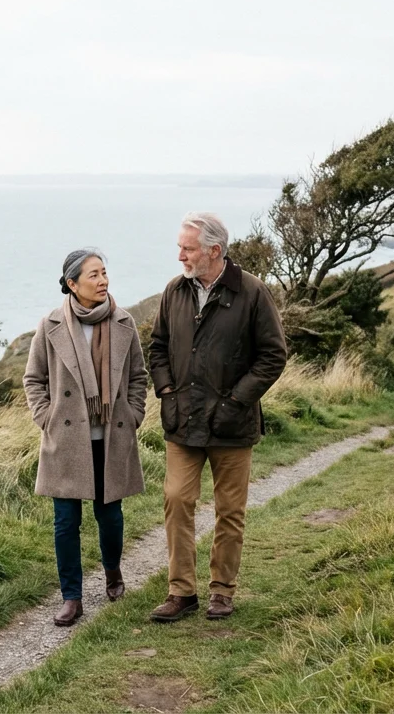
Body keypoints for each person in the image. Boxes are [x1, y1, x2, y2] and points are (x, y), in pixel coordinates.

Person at [146, 212, 288, 622]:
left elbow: (273, 355)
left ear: (214, 250)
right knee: (176, 500)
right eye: (180, 248)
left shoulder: (252, 292)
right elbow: (158, 347)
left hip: (232, 424)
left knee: (230, 510)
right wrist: (167, 392)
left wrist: (235, 402)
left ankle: (222, 593)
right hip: (183, 421)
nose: (180, 257)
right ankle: (181, 592)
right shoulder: (175, 291)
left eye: (187, 249)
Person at [23, 248, 148, 627]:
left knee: (109, 516)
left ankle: (112, 572)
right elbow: (34, 379)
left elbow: (139, 377)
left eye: (104, 272)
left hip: (111, 436)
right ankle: (72, 597)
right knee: (65, 521)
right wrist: (47, 418)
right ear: (72, 284)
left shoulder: (124, 322)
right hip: (66, 439)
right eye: (93, 275)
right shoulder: (51, 325)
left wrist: (134, 414)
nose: (102, 280)